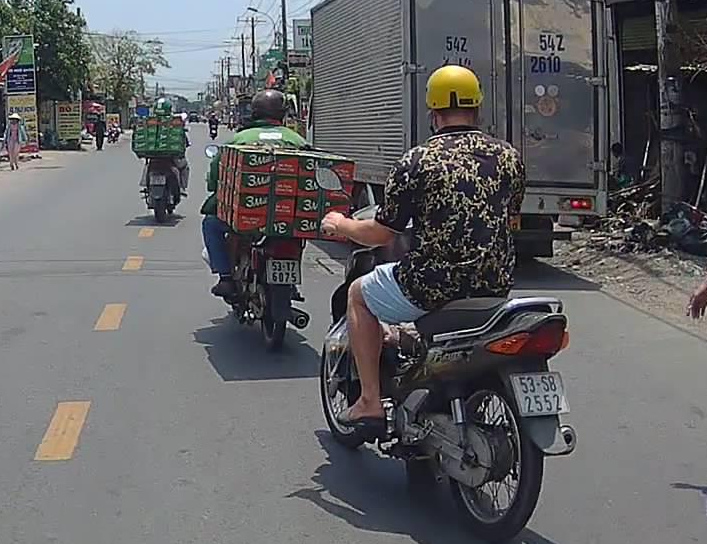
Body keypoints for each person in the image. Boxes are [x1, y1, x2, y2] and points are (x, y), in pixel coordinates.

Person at [319, 65, 525, 434]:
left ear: (433, 112)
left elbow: (381, 234)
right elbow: (510, 219)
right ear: (478, 108)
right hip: (494, 284)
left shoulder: (417, 161)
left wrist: (340, 224)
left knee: (358, 295)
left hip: (432, 285)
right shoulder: (509, 157)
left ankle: (369, 401)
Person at [201, 89, 307, 298]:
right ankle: (291, 283)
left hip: (244, 215)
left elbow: (216, 175)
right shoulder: (298, 141)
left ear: (254, 112)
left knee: (210, 224)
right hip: (288, 216)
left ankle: (225, 278)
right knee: (298, 234)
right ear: (282, 114)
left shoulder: (240, 139)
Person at [138, 98, 190, 198]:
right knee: (184, 167)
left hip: (153, 157)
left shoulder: (149, 121)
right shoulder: (174, 121)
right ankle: (182, 187)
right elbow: (182, 139)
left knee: (147, 166)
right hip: (171, 157)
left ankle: (145, 185)